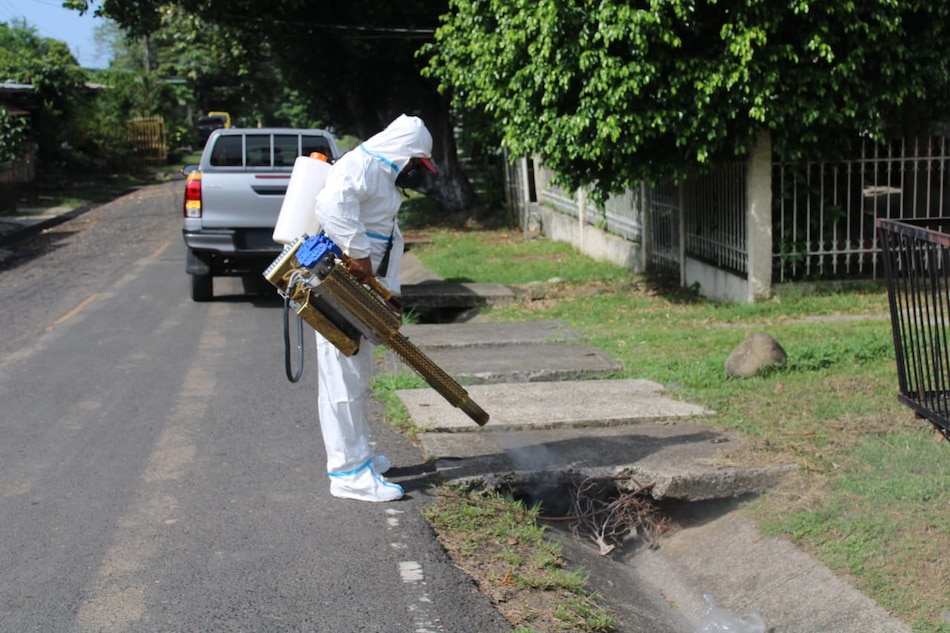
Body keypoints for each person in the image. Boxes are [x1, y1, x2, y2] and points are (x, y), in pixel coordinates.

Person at [313, 114, 437, 502]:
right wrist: (360, 254)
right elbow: (330, 203)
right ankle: (348, 474)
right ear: (405, 155)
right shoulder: (364, 165)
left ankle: (359, 456)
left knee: (354, 376)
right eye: (417, 165)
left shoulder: (380, 175)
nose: (417, 174)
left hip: (357, 292)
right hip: (343, 291)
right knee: (342, 382)